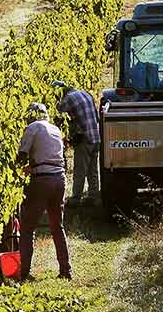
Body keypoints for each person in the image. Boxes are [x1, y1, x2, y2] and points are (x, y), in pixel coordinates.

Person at [16, 102, 73, 280]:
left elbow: (21, 156)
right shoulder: (55, 129)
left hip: (42, 181)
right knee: (57, 226)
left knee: (27, 227)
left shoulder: (32, 128)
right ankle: (66, 270)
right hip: (59, 180)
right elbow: (55, 159)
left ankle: (24, 273)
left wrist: (15, 170)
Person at [55, 81, 101, 204]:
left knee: (80, 169)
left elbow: (57, 116)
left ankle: (75, 199)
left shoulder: (68, 99)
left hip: (84, 137)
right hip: (96, 136)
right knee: (92, 169)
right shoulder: (86, 94)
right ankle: (93, 196)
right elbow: (96, 117)